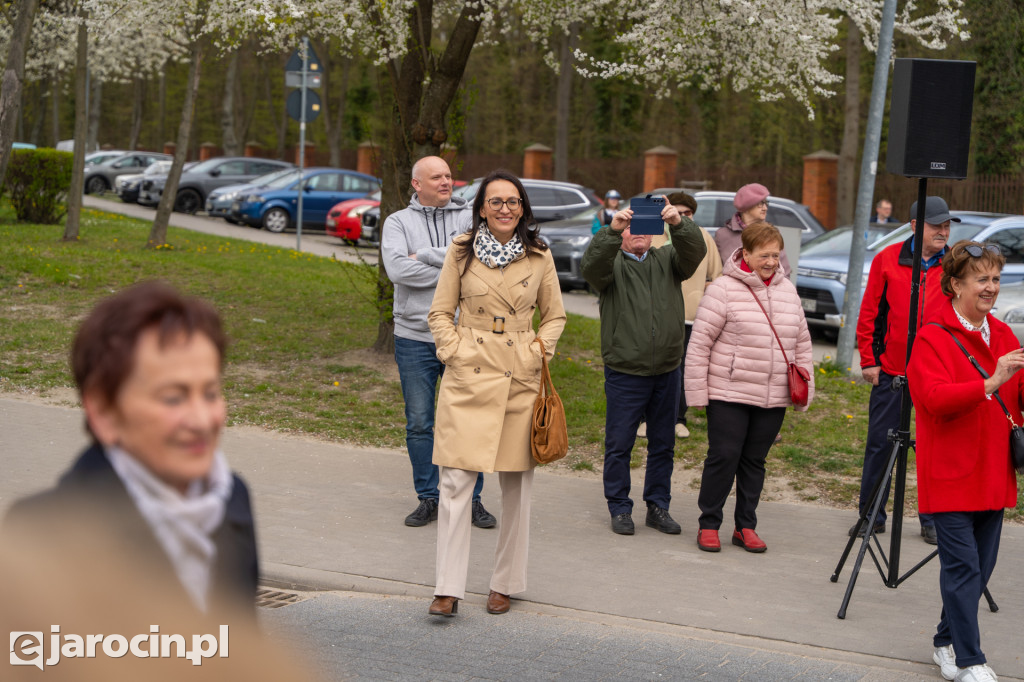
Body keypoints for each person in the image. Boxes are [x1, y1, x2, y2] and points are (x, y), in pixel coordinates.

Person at [3, 281, 258, 618]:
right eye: (173, 397)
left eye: (210, 393)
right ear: (104, 412)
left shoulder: (231, 500)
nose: (201, 420)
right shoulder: (44, 532)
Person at [426, 169, 566, 617]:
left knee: (516, 487)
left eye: (512, 201)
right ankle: (447, 587)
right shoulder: (460, 251)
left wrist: (537, 349)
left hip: (518, 377)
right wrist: (454, 350)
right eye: (495, 201)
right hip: (469, 372)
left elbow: (557, 315)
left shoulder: (539, 255)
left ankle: (505, 582)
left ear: (522, 208)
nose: (504, 209)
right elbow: (439, 312)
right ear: (481, 207)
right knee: (455, 483)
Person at [907, 241, 1021, 682]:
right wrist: (991, 382)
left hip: (994, 471)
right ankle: (971, 660)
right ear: (955, 285)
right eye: (982, 279)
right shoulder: (932, 337)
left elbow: (1019, 398)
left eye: (995, 278)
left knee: (980, 570)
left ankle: (944, 642)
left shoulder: (1007, 336)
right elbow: (933, 400)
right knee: (963, 568)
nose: (991, 287)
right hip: (951, 474)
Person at [581, 192, 706, 536]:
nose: (638, 231)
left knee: (663, 443)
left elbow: (696, 252)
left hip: (667, 369)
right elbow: (590, 266)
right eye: (631, 226)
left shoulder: (668, 260)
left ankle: (657, 506)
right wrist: (610, 230)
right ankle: (620, 507)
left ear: (654, 230)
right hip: (625, 371)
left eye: (643, 225)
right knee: (620, 444)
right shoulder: (611, 266)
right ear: (622, 230)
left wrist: (678, 223)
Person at [686, 222, 814, 553]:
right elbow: (699, 344)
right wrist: (698, 394)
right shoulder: (723, 290)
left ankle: (745, 526)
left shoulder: (788, 291)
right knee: (724, 456)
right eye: (764, 255)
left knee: (754, 462)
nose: (771, 261)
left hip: (773, 396)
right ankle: (709, 524)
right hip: (729, 392)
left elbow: (802, 345)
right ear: (745, 254)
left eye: (776, 254)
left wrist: (804, 392)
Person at [381, 155, 494, 530]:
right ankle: (429, 498)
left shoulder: (466, 218)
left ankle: (471, 498)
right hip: (413, 337)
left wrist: (427, 257)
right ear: (417, 184)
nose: (447, 182)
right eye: (437, 177)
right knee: (420, 422)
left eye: (448, 175)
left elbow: (478, 258)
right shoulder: (398, 222)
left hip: (463, 336)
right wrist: (452, 266)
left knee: (468, 420)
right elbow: (397, 270)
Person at [852, 196, 955, 544]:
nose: (943, 231)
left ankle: (932, 520)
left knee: (933, 447)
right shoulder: (887, 259)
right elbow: (870, 314)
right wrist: (869, 359)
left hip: (938, 376)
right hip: (892, 372)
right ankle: (871, 515)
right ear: (914, 226)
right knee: (881, 444)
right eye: (935, 225)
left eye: (946, 225)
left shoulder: (955, 263)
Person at [638, 191, 723, 440]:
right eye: (677, 211)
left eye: (687, 213)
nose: (681, 216)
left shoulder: (703, 237)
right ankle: (645, 418)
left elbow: (716, 276)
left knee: (684, 368)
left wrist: (705, 295)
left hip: (689, 316)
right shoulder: (652, 233)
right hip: (652, 315)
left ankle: (678, 418)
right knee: (649, 366)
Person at [714, 183, 792, 279]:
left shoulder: (771, 234)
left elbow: (784, 272)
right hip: (732, 292)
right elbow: (715, 271)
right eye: (760, 203)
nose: (765, 208)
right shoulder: (722, 235)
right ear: (746, 207)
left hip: (766, 291)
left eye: (766, 203)